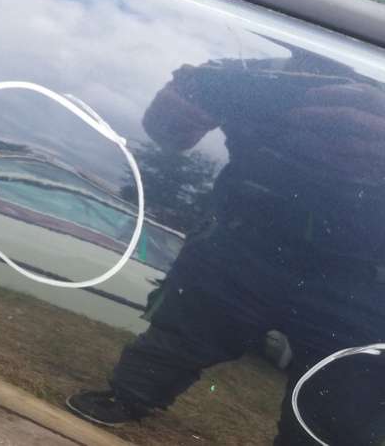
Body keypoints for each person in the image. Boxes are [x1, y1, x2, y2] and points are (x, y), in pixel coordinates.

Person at [66, 49, 385, 445]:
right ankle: (127, 396)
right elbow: (169, 134)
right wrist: (173, 115)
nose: (320, 78)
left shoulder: (364, 101)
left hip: (362, 273)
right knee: (178, 336)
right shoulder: (249, 76)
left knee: (343, 394)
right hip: (245, 242)